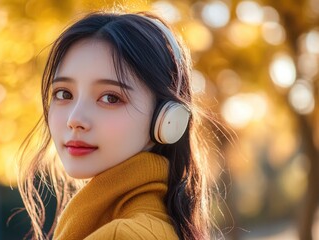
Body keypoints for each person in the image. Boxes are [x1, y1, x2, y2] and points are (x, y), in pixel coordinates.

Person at [17, 11, 215, 240]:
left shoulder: (120, 235)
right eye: (64, 93)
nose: (75, 119)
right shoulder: (150, 226)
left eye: (110, 98)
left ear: (166, 120)